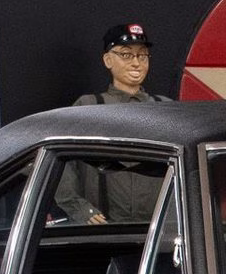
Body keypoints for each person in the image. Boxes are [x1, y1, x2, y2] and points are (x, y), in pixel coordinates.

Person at [59, 23, 171, 223]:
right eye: (126, 55)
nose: (136, 63)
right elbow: (58, 159)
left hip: (157, 231)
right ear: (108, 60)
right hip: (104, 232)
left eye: (142, 55)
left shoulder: (166, 109)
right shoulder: (88, 108)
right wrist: (80, 208)